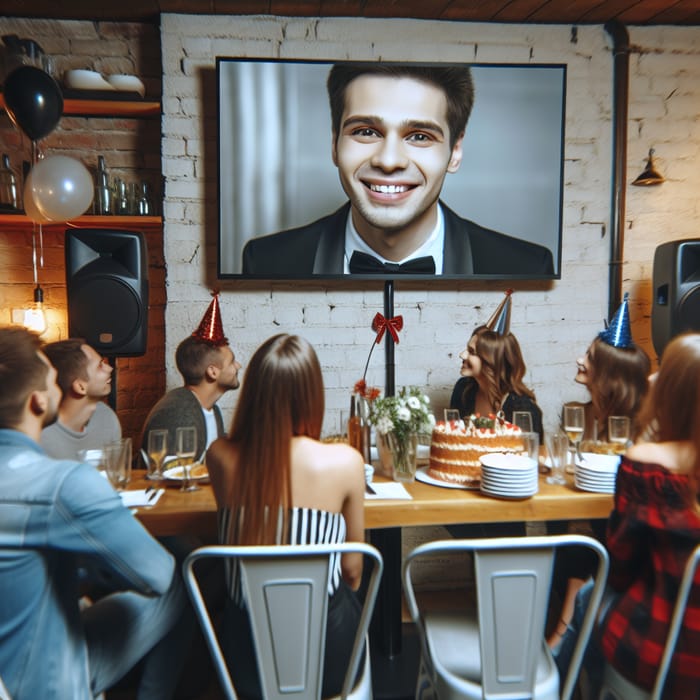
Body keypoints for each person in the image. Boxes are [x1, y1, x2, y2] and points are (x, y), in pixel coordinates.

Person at [0, 326, 189, 700]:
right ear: (38, 402)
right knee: (181, 577)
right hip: (45, 683)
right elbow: (157, 576)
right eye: (53, 379)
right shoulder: (63, 483)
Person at [242, 62, 554, 277]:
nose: (389, 160)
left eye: (420, 136)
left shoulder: (528, 266)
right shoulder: (265, 261)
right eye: (366, 131)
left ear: (455, 151)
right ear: (335, 143)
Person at [206, 333, 366, 698]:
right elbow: (353, 572)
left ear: (254, 393)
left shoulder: (218, 456)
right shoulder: (345, 462)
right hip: (327, 658)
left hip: (245, 657)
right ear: (312, 394)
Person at [555, 332, 700, 698]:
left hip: (663, 656)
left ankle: (559, 683)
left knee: (591, 592)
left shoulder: (646, 467)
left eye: (664, 373)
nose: (652, 379)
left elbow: (620, 567)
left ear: (675, 393)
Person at [547, 294, 651, 648]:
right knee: (566, 540)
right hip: (581, 522)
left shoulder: (637, 426)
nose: (579, 359)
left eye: (589, 357)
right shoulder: (577, 412)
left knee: (581, 547)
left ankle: (562, 638)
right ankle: (565, 628)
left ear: (609, 374)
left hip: (619, 532)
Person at [141, 293, 241, 458]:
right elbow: (171, 478)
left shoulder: (211, 409)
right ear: (212, 371)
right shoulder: (179, 414)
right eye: (232, 361)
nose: (238, 366)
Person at [450, 290, 544, 438]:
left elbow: (532, 455)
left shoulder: (522, 408)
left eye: (472, 352)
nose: (462, 355)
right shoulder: (463, 390)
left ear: (491, 362)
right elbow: (455, 441)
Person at [40, 337, 121, 460]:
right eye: (100, 366)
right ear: (80, 386)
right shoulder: (41, 436)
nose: (109, 368)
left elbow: (115, 475)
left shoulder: (106, 417)